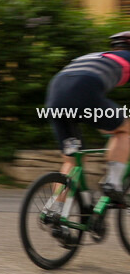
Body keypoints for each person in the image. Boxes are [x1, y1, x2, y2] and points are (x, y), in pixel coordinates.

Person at [44, 31, 130, 204]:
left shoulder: (96, 57)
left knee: (72, 159)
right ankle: (113, 183)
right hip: (83, 92)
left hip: (55, 96)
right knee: (125, 129)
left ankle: (56, 212)